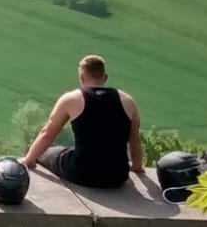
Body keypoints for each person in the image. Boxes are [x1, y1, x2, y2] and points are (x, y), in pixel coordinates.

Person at [22, 54, 143, 191]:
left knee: (46, 153)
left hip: (82, 174)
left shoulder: (72, 99)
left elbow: (48, 133)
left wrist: (28, 160)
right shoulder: (127, 101)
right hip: (117, 176)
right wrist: (137, 166)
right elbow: (135, 139)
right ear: (105, 77)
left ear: (81, 77)